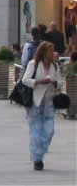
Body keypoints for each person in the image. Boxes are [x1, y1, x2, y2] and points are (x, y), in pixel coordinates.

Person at [22, 41, 61, 171]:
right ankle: (37, 159)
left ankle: (40, 152)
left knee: (49, 132)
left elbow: (60, 82)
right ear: (44, 52)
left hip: (48, 102)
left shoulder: (54, 66)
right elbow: (25, 80)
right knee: (36, 132)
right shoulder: (34, 64)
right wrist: (40, 82)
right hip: (35, 102)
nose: (53, 53)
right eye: (50, 51)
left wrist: (55, 83)